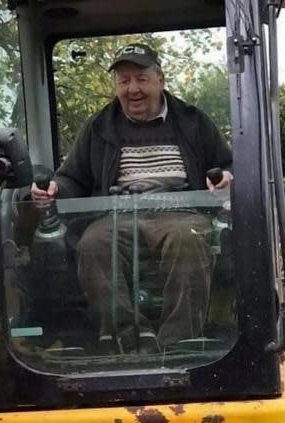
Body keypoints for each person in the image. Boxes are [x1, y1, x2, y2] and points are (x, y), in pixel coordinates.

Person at [32, 43, 232, 353]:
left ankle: (178, 343)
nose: (132, 89)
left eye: (140, 78)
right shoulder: (98, 127)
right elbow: (71, 177)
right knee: (92, 243)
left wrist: (226, 178)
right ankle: (126, 335)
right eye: (124, 81)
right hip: (117, 215)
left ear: (160, 80)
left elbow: (229, 164)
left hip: (179, 212)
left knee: (189, 238)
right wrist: (54, 188)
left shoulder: (193, 121)